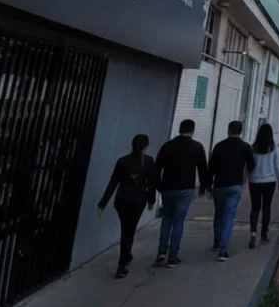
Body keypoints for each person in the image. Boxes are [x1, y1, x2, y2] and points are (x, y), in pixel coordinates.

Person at [97, 134, 156, 278]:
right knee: (130, 230)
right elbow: (152, 184)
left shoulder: (122, 161)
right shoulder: (148, 162)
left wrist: (102, 203)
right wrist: (151, 200)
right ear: (146, 146)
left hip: (122, 200)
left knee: (126, 229)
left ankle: (126, 256)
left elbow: (113, 183)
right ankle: (122, 264)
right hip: (138, 200)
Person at [154, 119, 209, 268]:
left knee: (167, 218)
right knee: (178, 221)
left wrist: (158, 185)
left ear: (179, 129)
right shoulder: (197, 147)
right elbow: (203, 168)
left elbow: (157, 167)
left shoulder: (167, 146)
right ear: (192, 130)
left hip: (167, 187)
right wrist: (204, 186)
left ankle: (161, 253)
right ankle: (173, 256)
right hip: (185, 188)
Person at [207, 120, 256, 261]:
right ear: (241, 131)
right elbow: (251, 165)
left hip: (219, 185)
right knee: (229, 216)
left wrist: (208, 186)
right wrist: (245, 179)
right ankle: (223, 249)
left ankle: (216, 242)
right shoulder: (245, 147)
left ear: (228, 130)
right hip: (235, 185)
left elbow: (211, 168)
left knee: (219, 214)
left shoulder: (219, 146)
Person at [247, 123, 279, 247]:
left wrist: (248, 179)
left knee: (255, 208)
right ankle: (263, 235)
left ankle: (252, 233)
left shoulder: (254, 148)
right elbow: (278, 167)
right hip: (269, 182)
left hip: (255, 181)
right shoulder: (274, 148)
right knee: (266, 208)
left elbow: (250, 166)